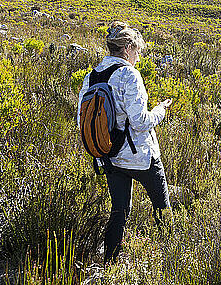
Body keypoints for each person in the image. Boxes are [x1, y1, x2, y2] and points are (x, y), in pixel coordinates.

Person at [77, 21, 173, 264]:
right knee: (162, 207)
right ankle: (172, 257)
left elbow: (82, 117)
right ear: (128, 48)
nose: (138, 57)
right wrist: (160, 110)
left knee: (119, 211)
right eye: (137, 51)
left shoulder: (92, 76)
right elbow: (140, 122)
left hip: (109, 156)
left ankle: (109, 263)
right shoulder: (129, 74)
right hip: (140, 156)